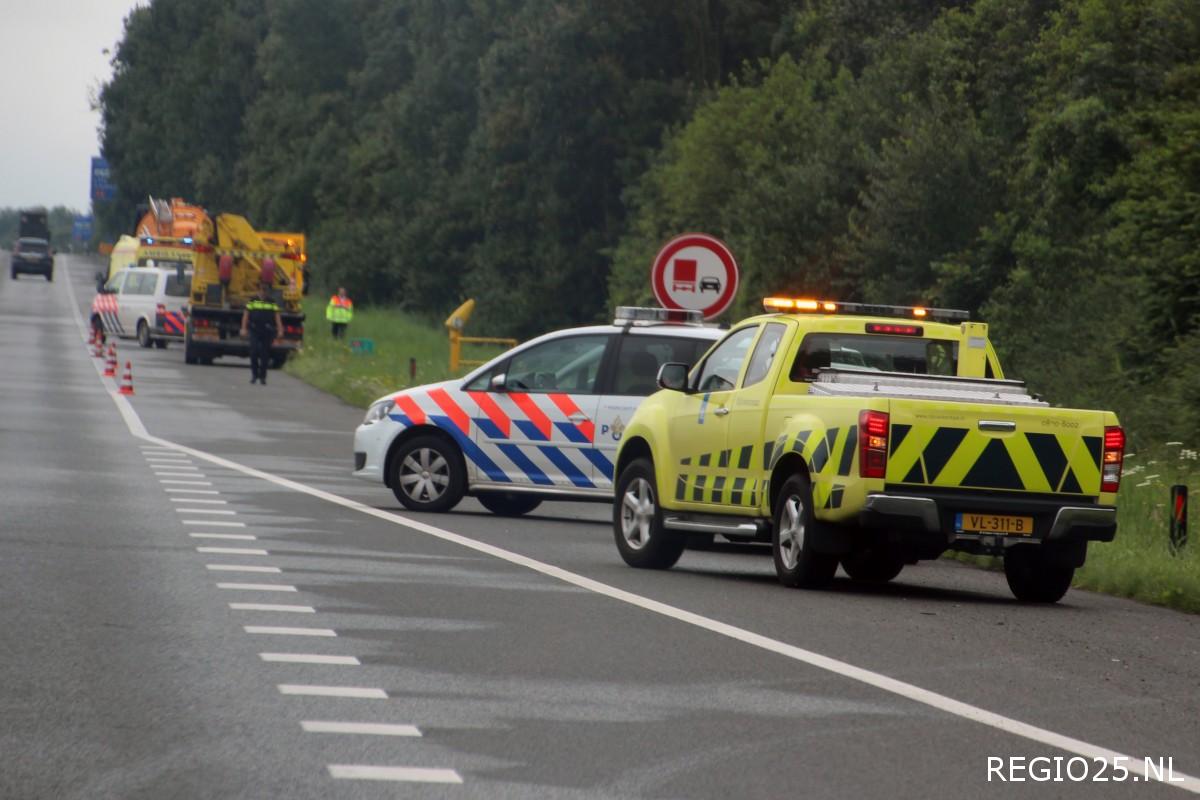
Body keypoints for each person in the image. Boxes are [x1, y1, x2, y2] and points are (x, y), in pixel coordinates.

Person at [240, 283, 282, 385]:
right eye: (261, 290)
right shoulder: (253, 300)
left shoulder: (272, 302)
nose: (263, 293)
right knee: (253, 352)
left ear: (267, 292)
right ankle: (254, 375)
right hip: (254, 330)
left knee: (264, 355)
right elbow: (246, 315)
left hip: (267, 331)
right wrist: (243, 328)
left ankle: (262, 377)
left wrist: (280, 329)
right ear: (258, 291)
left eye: (265, 291)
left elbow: (277, 316)